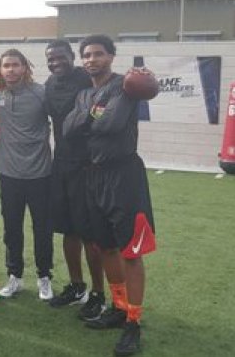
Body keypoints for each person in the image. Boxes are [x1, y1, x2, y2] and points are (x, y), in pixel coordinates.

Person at [64, 35, 157, 357]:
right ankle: (118, 307)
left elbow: (113, 124)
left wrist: (87, 119)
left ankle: (133, 321)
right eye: (87, 55)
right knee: (102, 245)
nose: (92, 59)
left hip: (123, 175)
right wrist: (91, 115)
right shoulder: (84, 93)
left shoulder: (125, 86)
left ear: (112, 56)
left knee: (131, 251)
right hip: (93, 175)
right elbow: (68, 129)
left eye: (98, 54)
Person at [43, 39, 107, 320]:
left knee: (90, 233)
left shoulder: (87, 80)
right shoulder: (49, 84)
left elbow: (104, 109)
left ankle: (98, 293)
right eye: (51, 58)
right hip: (62, 165)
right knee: (68, 230)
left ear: (72, 57)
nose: (56, 62)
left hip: (87, 166)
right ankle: (77, 286)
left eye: (61, 57)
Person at [0, 49, 55, 301]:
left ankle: (44, 277)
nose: (11, 70)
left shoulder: (41, 93)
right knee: (12, 229)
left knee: (42, 229)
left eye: (16, 65)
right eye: (6, 65)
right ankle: (14, 276)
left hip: (40, 174)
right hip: (9, 175)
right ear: (0, 69)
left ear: (25, 67)